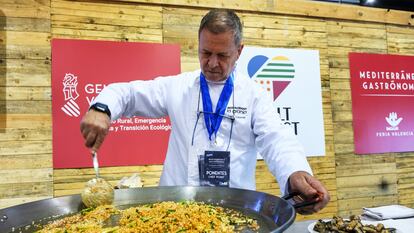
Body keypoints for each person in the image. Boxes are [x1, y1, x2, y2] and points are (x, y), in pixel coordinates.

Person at [80, 8, 330, 215]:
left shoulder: (254, 95)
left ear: (239, 51)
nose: (212, 63)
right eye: (205, 53)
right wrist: (102, 108)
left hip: (235, 212)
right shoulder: (178, 86)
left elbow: (278, 140)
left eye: (222, 55)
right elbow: (128, 93)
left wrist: (295, 172)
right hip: (173, 209)